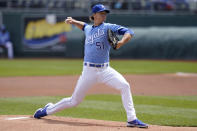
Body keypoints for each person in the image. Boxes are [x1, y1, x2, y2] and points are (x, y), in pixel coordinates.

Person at [33, 4, 148, 128]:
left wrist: (120, 42)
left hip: (105, 70)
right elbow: (83, 26)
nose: (104, 15)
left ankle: (131, 119)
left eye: (105, 13)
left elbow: (129, 32)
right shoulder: (88, 29)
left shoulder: (108, 27)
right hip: (89, 71)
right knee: (74, 101)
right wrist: (73, 21)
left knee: (125, 86)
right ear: (94, 15)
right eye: (101, 13)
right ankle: (47, 110)